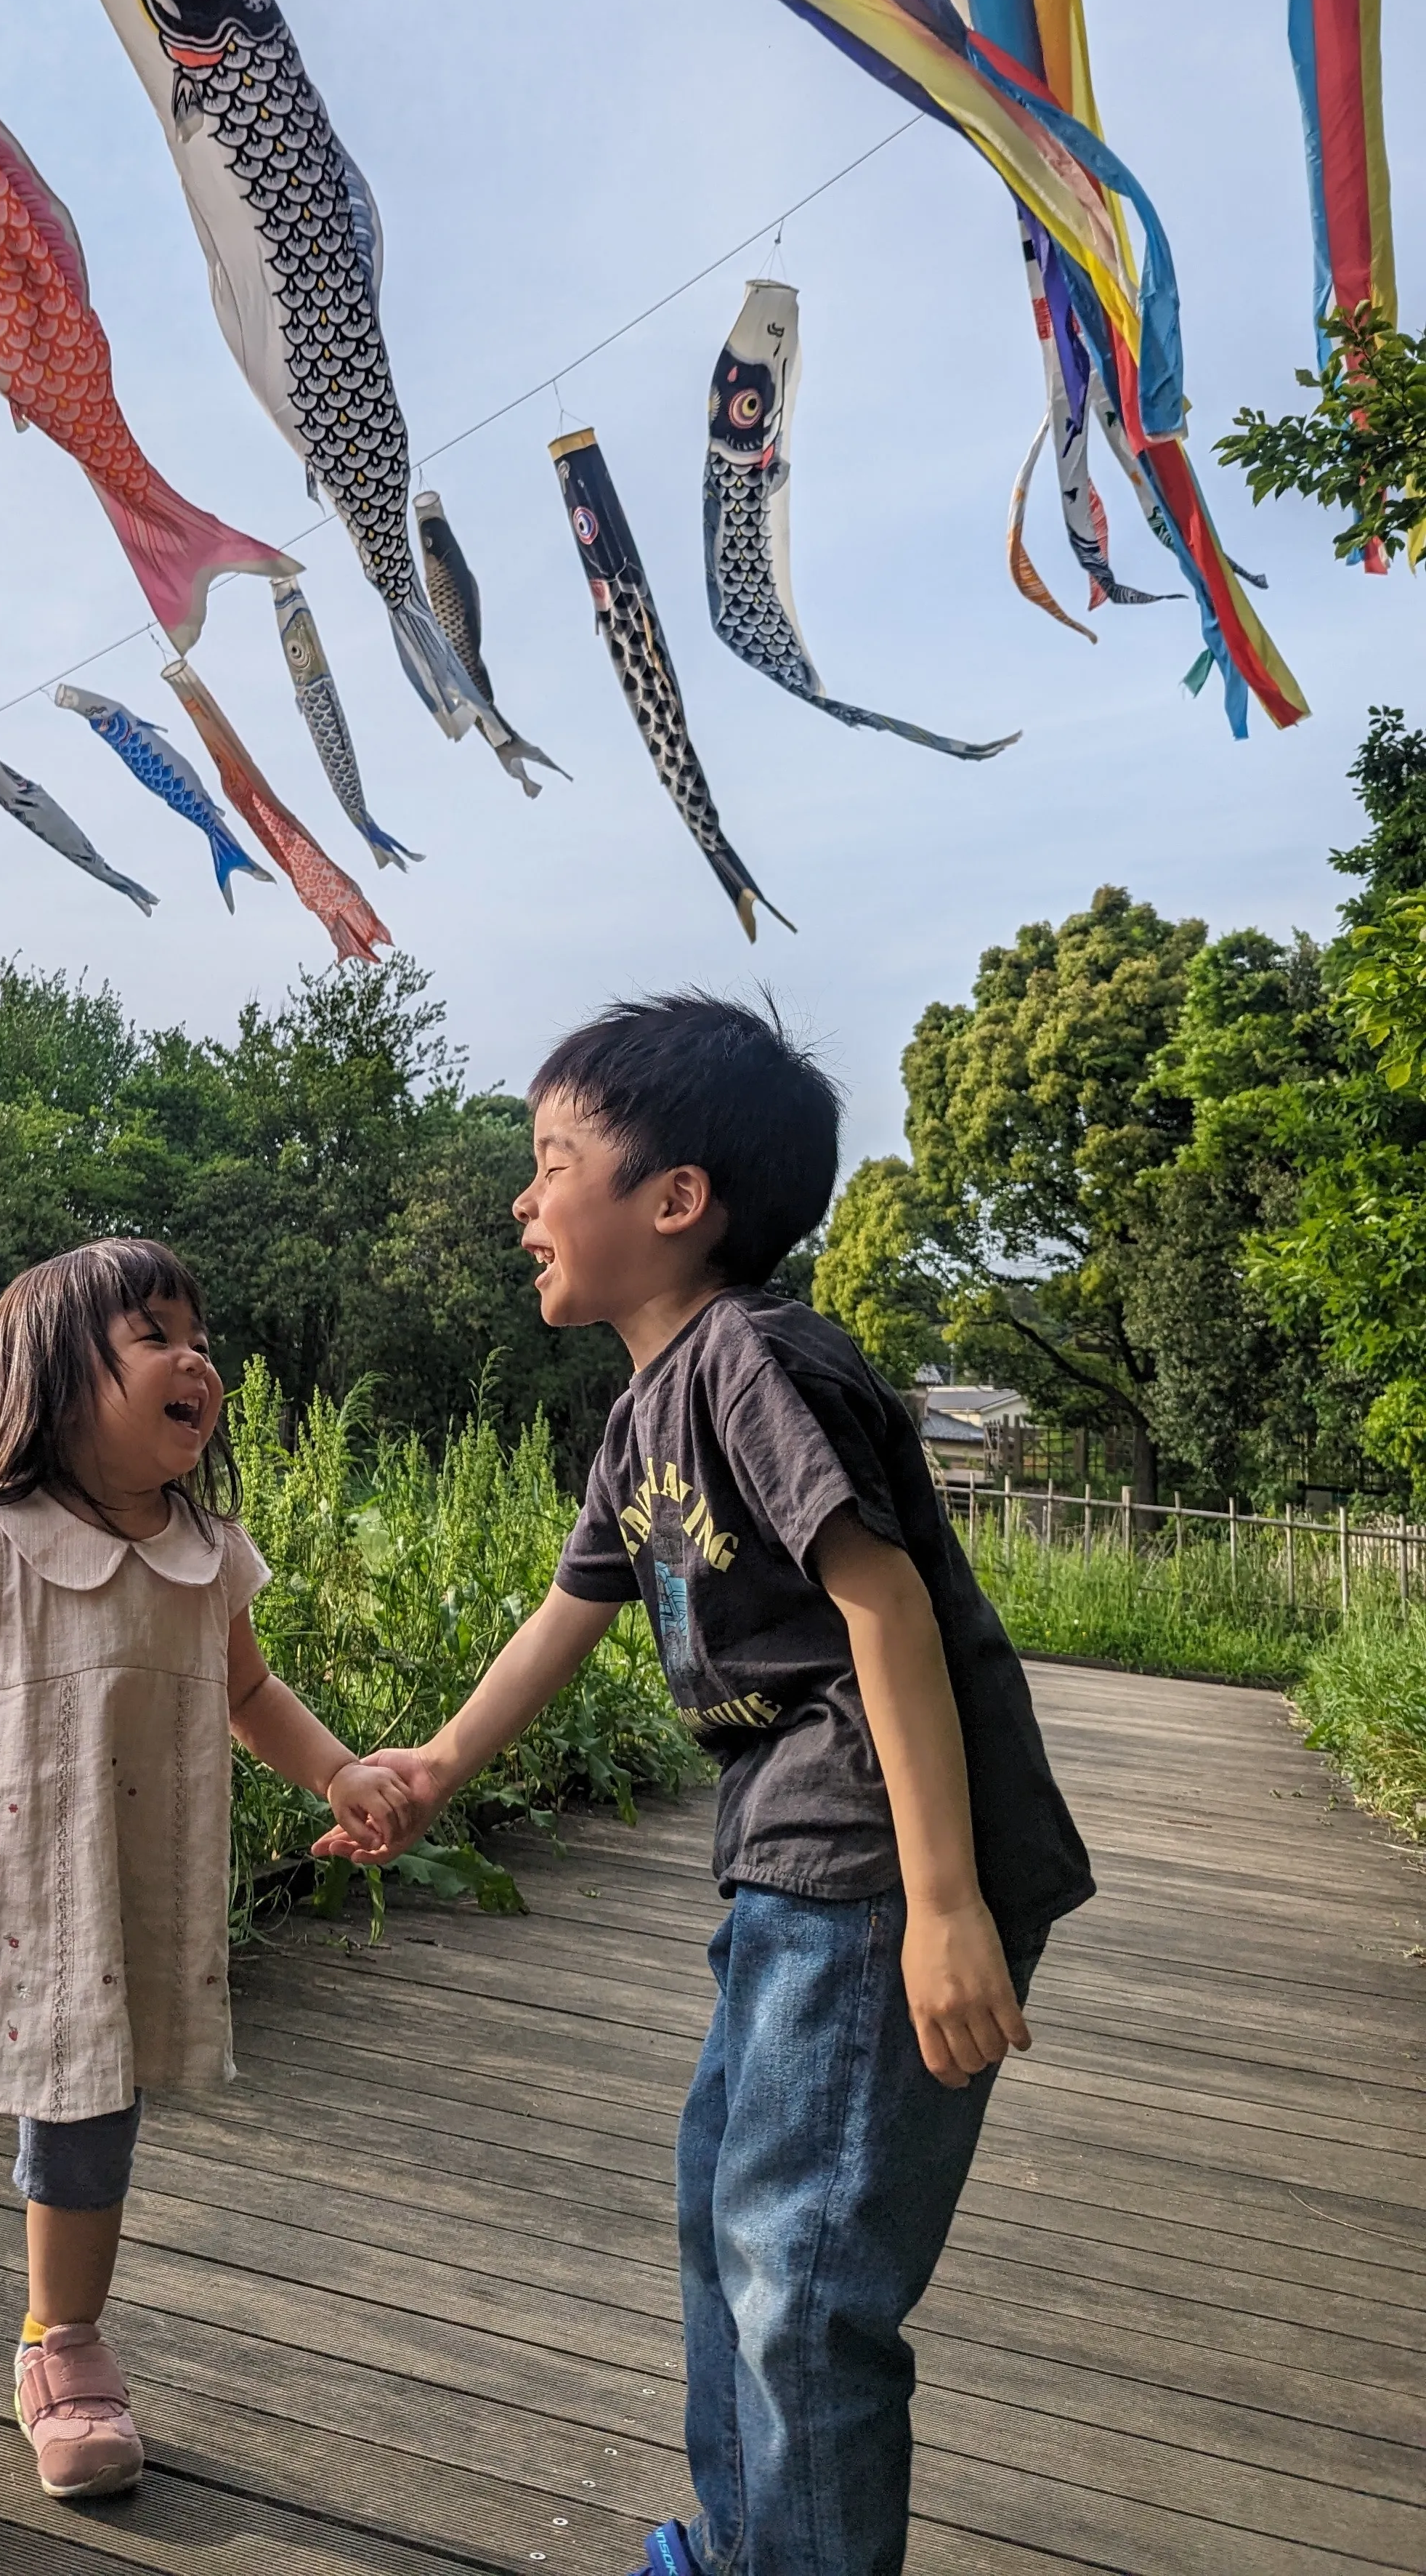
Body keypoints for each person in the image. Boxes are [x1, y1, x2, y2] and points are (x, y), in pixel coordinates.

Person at [317, 993, 1093, 2576]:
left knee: (804, 2279)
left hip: (872, 1858)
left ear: (677, 1201)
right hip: (786, 1859)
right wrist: (438, 1767)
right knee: (725, 2228)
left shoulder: (754, 1358)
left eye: (551, 1163)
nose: (522, 1203)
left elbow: (884, 1604)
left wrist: (945, 1906)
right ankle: (747, 2548)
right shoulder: (645, 1407)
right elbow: (569, 1610)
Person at [0, 1235, 408, 2543]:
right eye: (157, 1336)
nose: (197, 1361)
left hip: (118, 1920)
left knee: (86, 2151)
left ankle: (61, 2350)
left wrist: (339, 1771)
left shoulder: (208, 1554)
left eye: (199, 1337)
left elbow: (247, 1696)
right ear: (59, 1386)